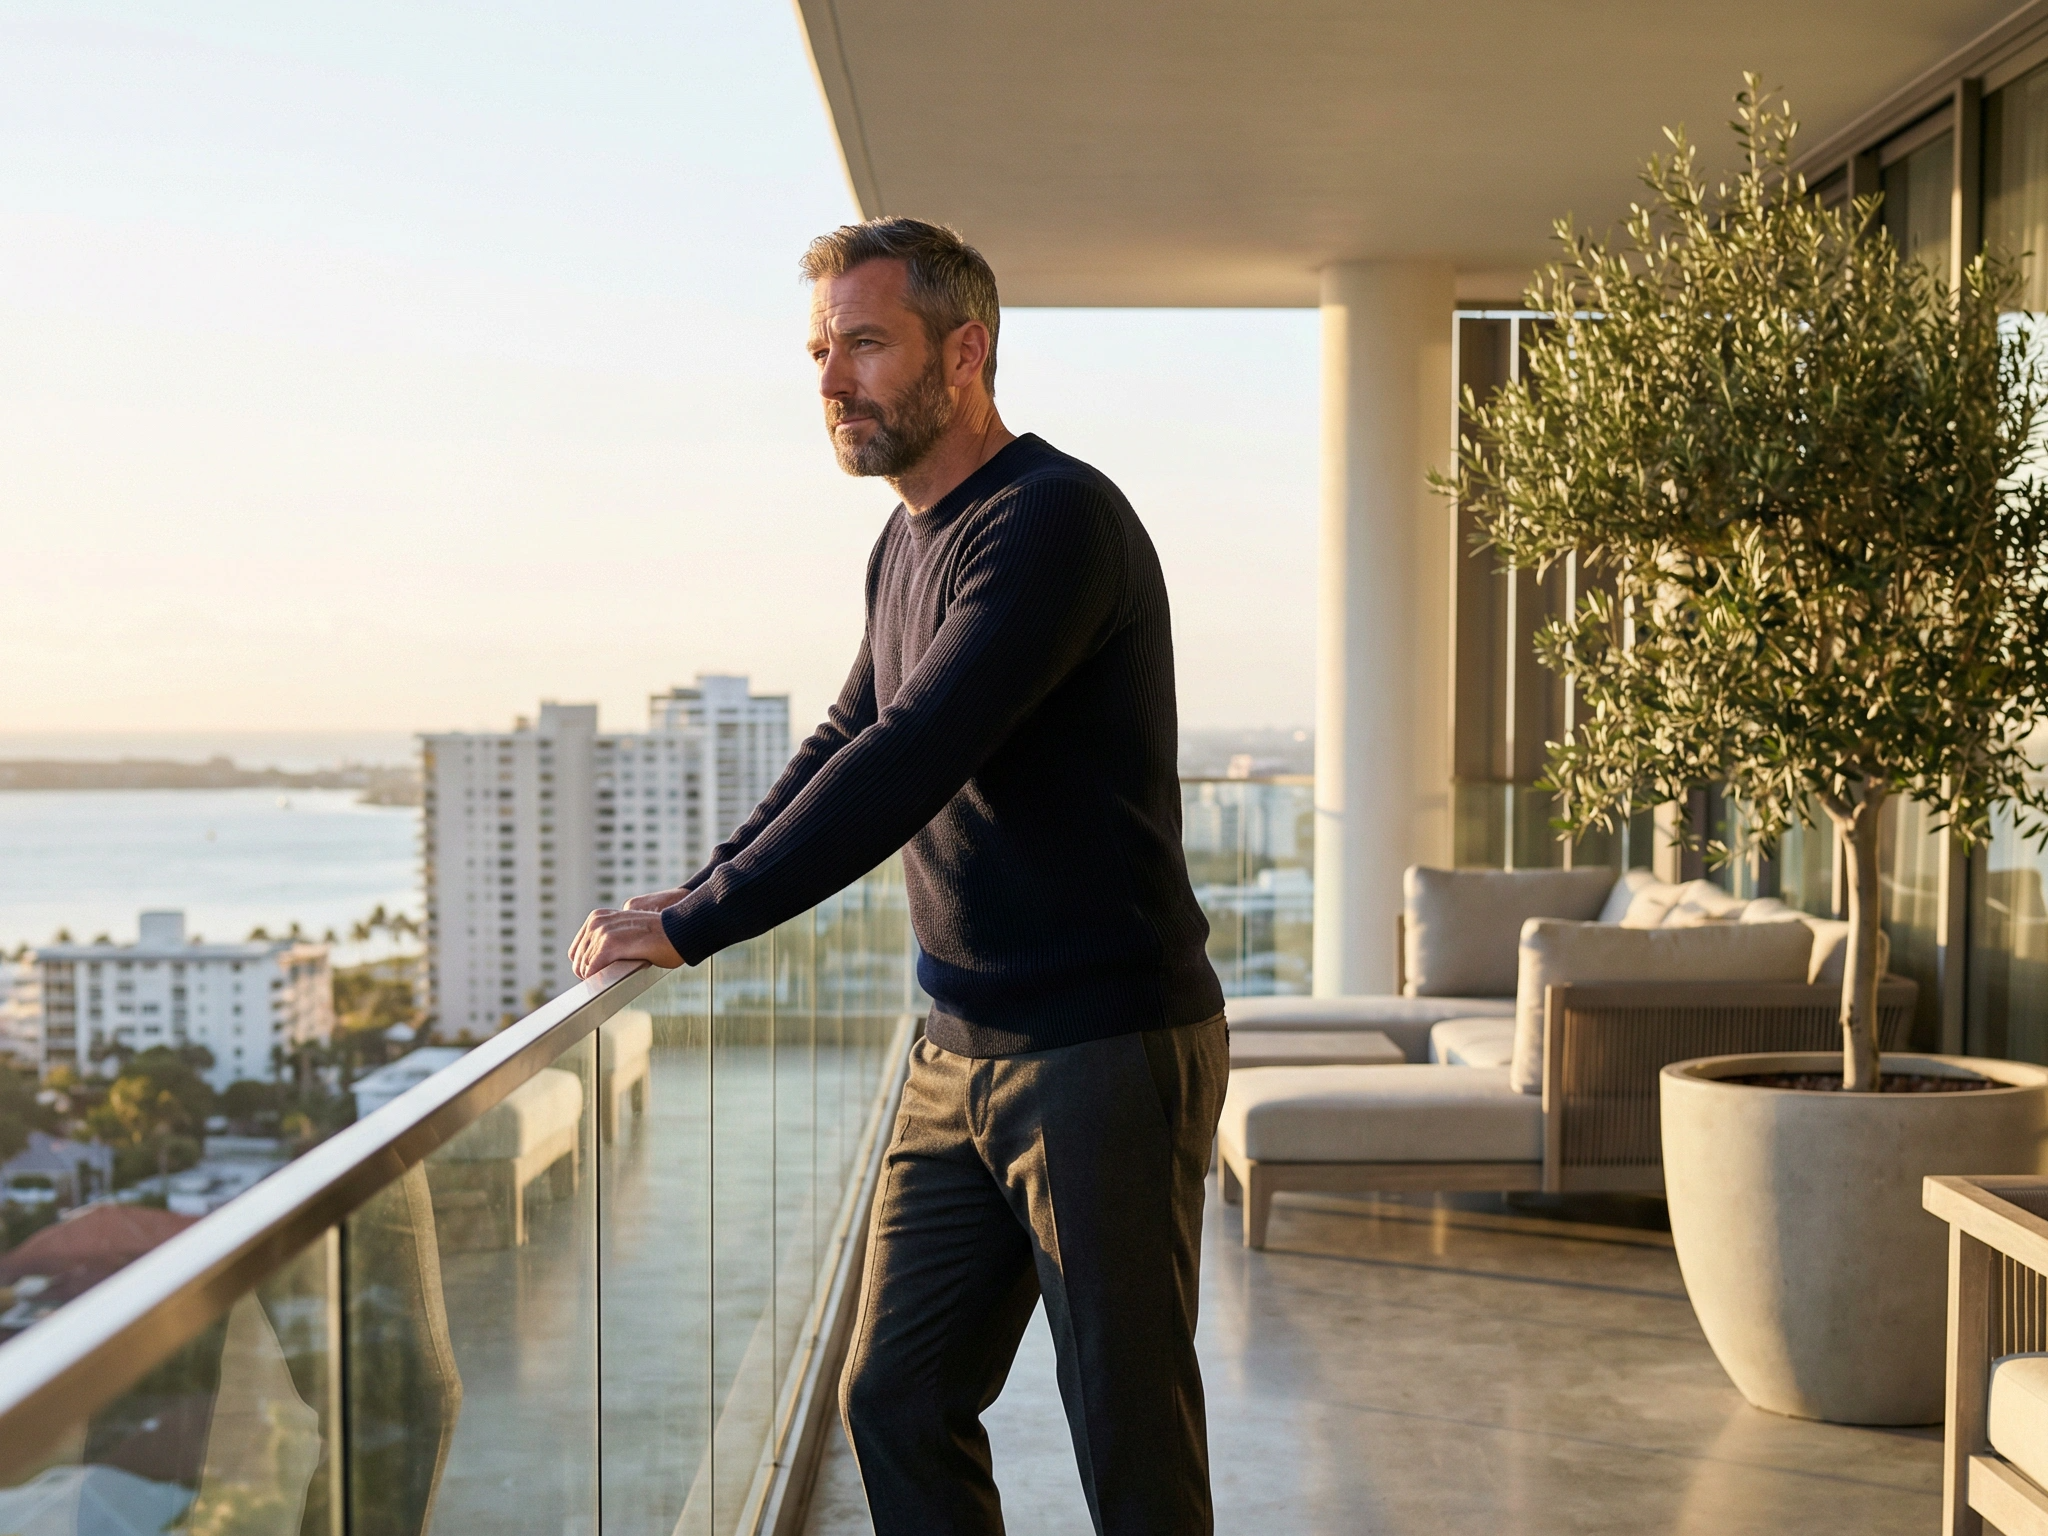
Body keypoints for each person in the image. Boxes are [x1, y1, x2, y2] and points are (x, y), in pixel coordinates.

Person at [570, 217, 1227, 1536]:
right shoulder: (905, 542)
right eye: (820, 349)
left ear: (963, 352)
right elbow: (847, 738)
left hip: (1102, 1048)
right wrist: (695, 889)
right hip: (953, 1054)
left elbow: (918, 753)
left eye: (864, 344)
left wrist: (705, 924)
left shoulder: (1052, 523)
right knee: (896, 1400)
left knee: (1127, 1426)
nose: (829, 381)